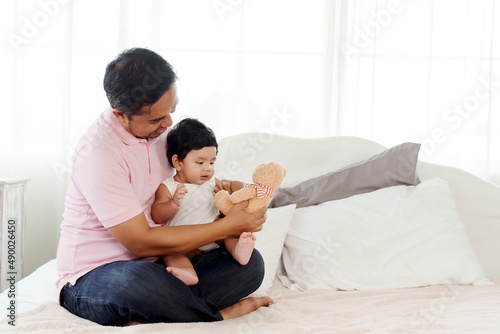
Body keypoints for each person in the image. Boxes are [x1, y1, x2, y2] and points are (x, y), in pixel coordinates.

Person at [56, 47, 272, 326]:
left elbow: (195, 181)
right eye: (156, 119)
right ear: (121, 114)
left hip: (164, 266)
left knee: (250, 266)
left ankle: (163, 309)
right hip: (95, 276)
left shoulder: (165, 138)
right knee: (135, 283)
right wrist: (228, 226)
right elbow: (140, 242)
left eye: (172, 110)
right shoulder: (99, 154)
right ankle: (216, 315)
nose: (169, 124)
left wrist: (234, 207)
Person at [152, 118, 256, 286]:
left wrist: (244, 187)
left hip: (216, 238)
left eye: (212, 162)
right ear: (178, 162)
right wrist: (173, 204)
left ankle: (239, 250)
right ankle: (188, 273)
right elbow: (157, 215)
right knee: (170, 253)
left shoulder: (212, 182)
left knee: (230, 230)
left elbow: (230, 185)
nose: (208, 168)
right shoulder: (169, 186)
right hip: (183, 243)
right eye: (200, 162)